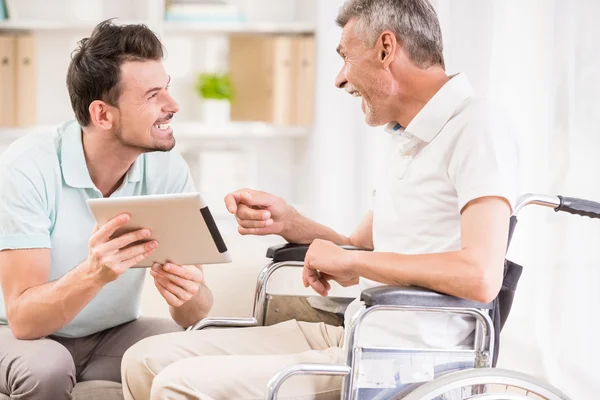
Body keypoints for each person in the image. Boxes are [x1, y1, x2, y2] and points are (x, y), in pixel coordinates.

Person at [121, 0, 519, 398]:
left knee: (178, 384)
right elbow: (361, 246)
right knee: (144, 361)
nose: (339, 79)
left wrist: (352, 261)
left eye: (346, 57)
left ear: (386, 49)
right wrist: (291, 222)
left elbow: (481, 277)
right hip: (357, 332)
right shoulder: (408, 141)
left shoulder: (476, 126)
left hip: (400, 359)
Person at [0, 20, 214, 399]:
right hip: (18, 335)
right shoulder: (26, 167)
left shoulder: (167, 168)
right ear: (102, 114)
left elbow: (194, 314)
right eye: (152, 96)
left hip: (112, 336)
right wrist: (93, 274)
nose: (173, 106)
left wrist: (188, 294)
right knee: (46, 367)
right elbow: (23, 319)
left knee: (193, 352)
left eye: (167, 88)